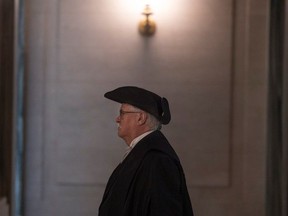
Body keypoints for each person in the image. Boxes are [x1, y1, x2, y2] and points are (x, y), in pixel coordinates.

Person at [98, 86, 194, 216]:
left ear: (140, 118)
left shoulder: (158, 160)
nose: (117, 119)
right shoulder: (142, 153)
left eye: (122, 113)